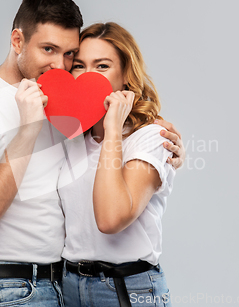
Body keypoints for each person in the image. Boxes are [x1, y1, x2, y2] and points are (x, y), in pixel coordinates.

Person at [0, 0, 184, 307]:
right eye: (49, 49)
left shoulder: (67, 112)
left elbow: (116, 163)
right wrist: (26, 130)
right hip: (7, 287)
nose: (59, 65)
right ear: (17, 42)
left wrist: (158, 139)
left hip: (62, 285)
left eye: (69, 55)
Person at [58, 22, 177, 307]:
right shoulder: (69, 137)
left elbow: (110, 219)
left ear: (125, 75)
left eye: (102, 66)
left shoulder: (150, 137)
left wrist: (113, 128)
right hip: (68, 286)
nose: (88, 76)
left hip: (125, 290)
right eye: (79, 66)